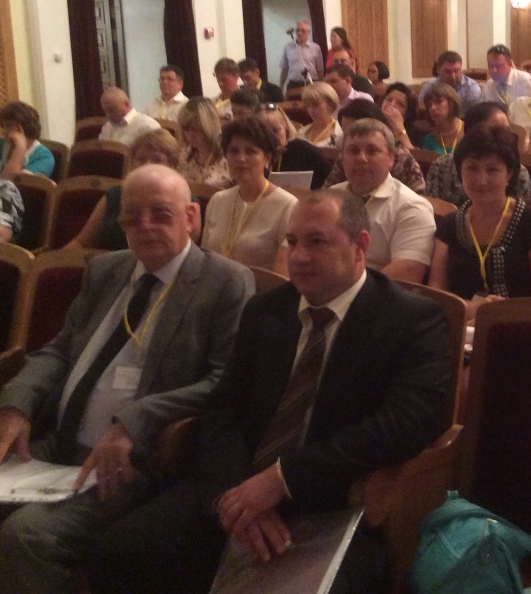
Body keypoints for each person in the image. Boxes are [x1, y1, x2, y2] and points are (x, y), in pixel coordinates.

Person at [89, 190, 451, 594]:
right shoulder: (267, 311)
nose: (299, 256)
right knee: (119, 553)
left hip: (334, 500)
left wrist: (282, 479)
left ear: (360, 245)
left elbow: (403, 426)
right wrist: (236, 497)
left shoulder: (411, 320)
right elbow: (222, 412)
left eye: (316, 241)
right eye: (292, 242)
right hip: (237, 487)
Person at [0, 164, 254, 594]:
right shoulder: (107, 270)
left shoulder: (224, 281)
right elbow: (59, 350)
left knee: (27, 535)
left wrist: (134, 420)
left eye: (160, 214)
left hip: (135, 458)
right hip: (59, 442)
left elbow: (225, 379)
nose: (144, 226)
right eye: (132, 216)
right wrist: (15, 404)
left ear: (191, 217)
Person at [429, 124, 531, 321]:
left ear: (509, 174)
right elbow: (436, 297)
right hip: (458, 327)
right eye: (472, 168)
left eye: (492, 170)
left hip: (520, 328)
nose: (481, 180)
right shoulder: (449, 225)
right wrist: (473, 309)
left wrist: (499, 313)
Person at [330, 119, 435, 283]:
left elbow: (407, 274)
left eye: (372, 151)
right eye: (353, 151)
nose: (361, 158)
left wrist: (340, 290)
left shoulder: (412, 207)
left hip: (375, 295)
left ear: (391, 158)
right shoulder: (329, 198)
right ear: (342, 158)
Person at [64, 129, 202, 251]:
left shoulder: (185, 200)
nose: (147, 165)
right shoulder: (115, 195)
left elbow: (187, 252)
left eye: (156, 160)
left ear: (172, 166)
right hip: (110, 269)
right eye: (141, 159)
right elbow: (81, 242)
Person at [202, 117, 298, 272]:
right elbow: (205, 260)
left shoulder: (287, 206)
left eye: (250, 151)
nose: (241, 159)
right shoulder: (217, 200)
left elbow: (281, 277)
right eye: (234, 151)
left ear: (267, 158)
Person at [425, 101, 531, 206]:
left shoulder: (518, 173)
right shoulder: (441, 167)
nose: (482, 181)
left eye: (507, 130)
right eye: (472, 168)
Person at [322, 100, 427, 193]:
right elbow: (328, 190)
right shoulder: (346, 156)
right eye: (346, 131)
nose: (361, 157)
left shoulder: (402, 158)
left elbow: (419, 195)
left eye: (359, 129)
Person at [265, 104, 332, 189]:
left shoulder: (301, 149)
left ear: (286, 129)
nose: (271, 137)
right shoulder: (255, 156)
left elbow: (331, 179)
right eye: (265, 132)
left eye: (276, 131)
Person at [177, 97, 233, 189]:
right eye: (186, 129)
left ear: (209, 125)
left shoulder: (228, 154)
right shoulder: (185, 154)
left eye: (196, 129)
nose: (190, 135)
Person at [0, 102, 55, 178]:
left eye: (9, 126)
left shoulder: (44, 157)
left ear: (22, 127)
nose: (4, 132)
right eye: (3, 126)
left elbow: (12, 181)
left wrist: (20, 147)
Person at [279, 20, 324, 91]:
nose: (299, 33)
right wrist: (281, 87)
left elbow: (320, 70)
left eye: (303, 31)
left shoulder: (315, 48)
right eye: (298, 30)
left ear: (308, 33)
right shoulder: (288, 47)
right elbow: (284, 69)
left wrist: (322, 87)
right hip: (293, 84)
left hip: (311, 83)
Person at [420, 81, 464, 155]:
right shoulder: (429, 140)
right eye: (429, 105)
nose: (433, 108)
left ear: (452, 102)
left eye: (439, 102)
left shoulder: (469, 131)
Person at [380, 82, 424, 151]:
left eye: (400, 104)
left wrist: (399, 128)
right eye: (388, 99)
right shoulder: (372, 122)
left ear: (407, 114)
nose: (391, 104)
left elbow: (414, 156)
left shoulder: (414, 132)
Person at [297, 81, 343, 148]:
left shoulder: (341, 133)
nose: (311, 109)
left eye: (315, 105)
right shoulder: (302, 133)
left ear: (330, 104)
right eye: (308, 105)